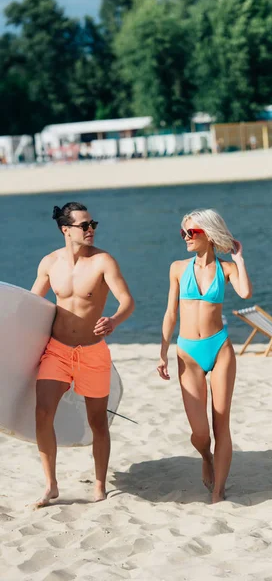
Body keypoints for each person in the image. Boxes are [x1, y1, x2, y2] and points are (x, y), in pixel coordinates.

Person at [31, 202, 134, 506]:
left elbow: (127, 300)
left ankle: (99, 485)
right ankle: (51, 485)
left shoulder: (103, 262)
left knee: (98, 422)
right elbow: (30, 303)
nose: (91, 230)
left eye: (93, 224)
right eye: (83, 225)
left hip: (92, 352)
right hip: (57, 350)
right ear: (66, 230)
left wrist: (114, 320)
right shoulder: (50, 263)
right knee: (42, 413)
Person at [157, 209, 252, 503]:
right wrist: (162, 353)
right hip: (188, 352)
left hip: (220, 348)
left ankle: (220, 491)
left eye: (192, 233)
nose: (186, 238)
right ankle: (205, 456)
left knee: (221, 422)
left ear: (208, 235)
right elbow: (171, 313)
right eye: (183, 232)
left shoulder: (226, 270)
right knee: (200, 433)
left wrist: (239, 259)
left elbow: (246, 293)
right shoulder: (177, 268)